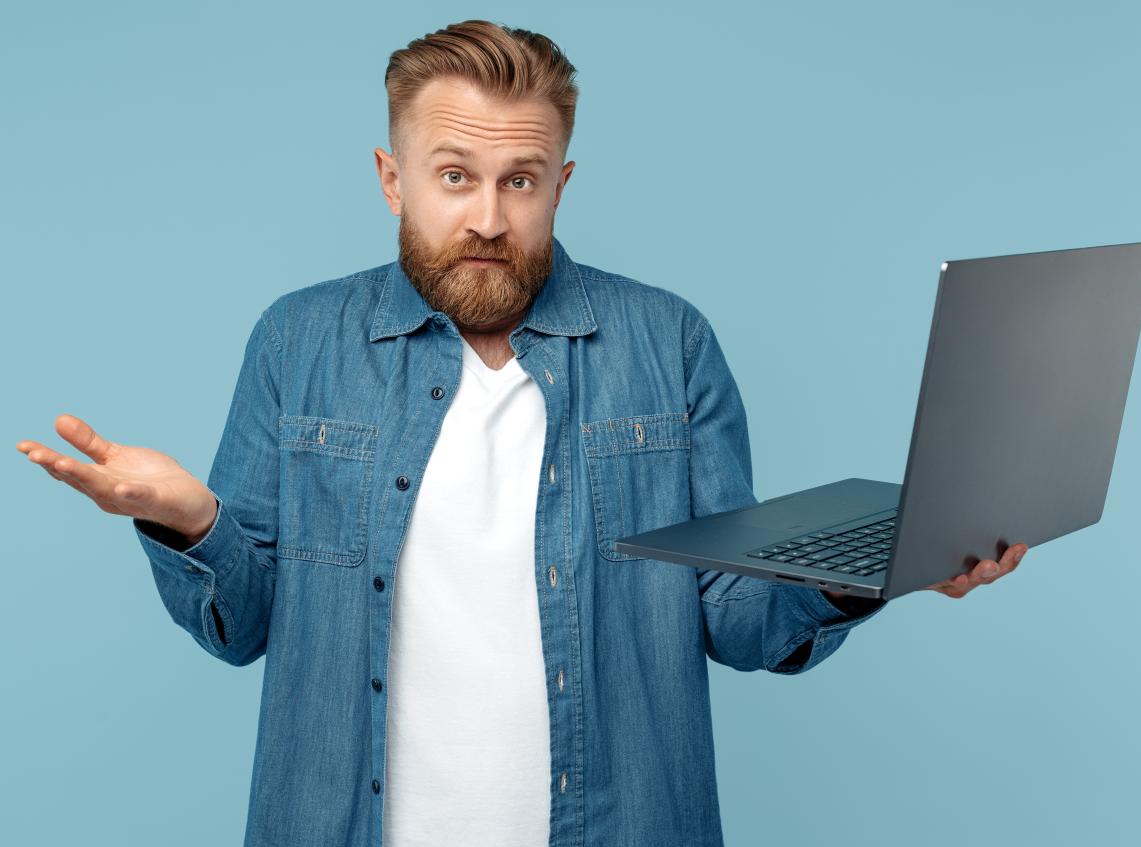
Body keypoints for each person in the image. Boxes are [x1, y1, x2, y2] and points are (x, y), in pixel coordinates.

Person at [15, 19, 1027, 847]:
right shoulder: (297, 341)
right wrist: (190, 520)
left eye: (521, 180)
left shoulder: (668, 341)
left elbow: (733, 617)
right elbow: (241, 626)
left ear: (561, 184)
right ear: (389, 176)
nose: (490, 218)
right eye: (454, 175)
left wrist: (878, 560)